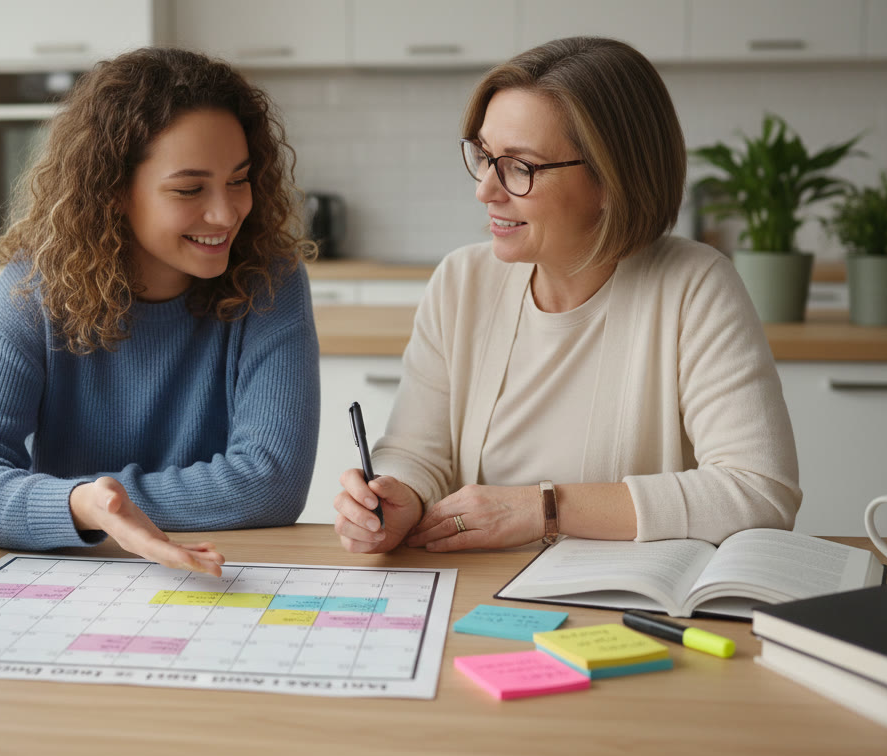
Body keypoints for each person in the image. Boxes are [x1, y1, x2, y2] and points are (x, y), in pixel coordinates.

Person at [333, 37, 801, 555]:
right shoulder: (460, 282)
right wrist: (400, 494)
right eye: (485, 156)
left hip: (624, 608)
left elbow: (761, 492)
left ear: (610, 180)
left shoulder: (696, 286)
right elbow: (417, 451)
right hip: (482, 593)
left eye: (520, 166)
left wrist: (542, 509)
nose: (485, 189)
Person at [0, 48, 320, 576]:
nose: (226, 212)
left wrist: (106, 503)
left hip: (225, 572)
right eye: (189, 188)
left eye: (238, 179)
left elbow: (271, 483)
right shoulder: (34, 290)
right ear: (113, 190)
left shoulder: (270, 282)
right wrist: (84, 507)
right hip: (77, 574)